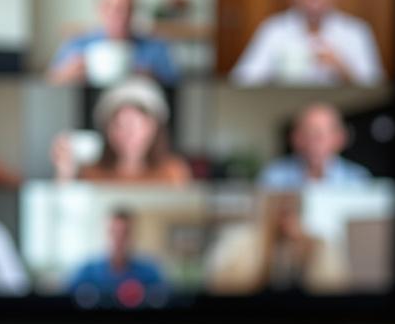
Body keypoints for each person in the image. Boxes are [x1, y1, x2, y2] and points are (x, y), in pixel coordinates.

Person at [231, 0, 385, 86]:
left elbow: (377, 86)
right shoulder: (273, 29)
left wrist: (342, 69)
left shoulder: (356, 31)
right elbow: (241, 81)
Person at [48, 0, 178, 85]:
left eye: (126, 7)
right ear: (99, 7)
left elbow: (176, 87)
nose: (119, 15)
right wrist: (63, 77)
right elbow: (48, 81)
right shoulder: (76, 46)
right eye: (110, 6)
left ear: (134, 8)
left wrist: (154, 80)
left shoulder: (156, 49)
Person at [51, 77, 191, 184]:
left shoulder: (174, 172)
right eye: (118, 126)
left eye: (134, 126)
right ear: (107, 131)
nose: (126, 135)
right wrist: (64, 173)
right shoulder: (90, 173)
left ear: (152, 127)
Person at [204, 192, 350, 295]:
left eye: (291, 209)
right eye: (280, 209)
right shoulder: (239, 242)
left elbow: (336, 287)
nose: (285, 219)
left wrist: (308, 255)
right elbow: (218, 285)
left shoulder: (319, 245)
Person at [258, 102, 372, 189]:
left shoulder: (358, 178)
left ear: (339, 138)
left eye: (319, 135)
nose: (312, 142)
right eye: (306, 134)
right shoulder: (273, 175)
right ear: (295, 138)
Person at [68, 210, 166, 303]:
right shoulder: (86, 272)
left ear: (134, 236)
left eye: (125, 233)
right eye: (113, 232)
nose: (119, 239)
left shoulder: (150, 274)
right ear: (106, 233)